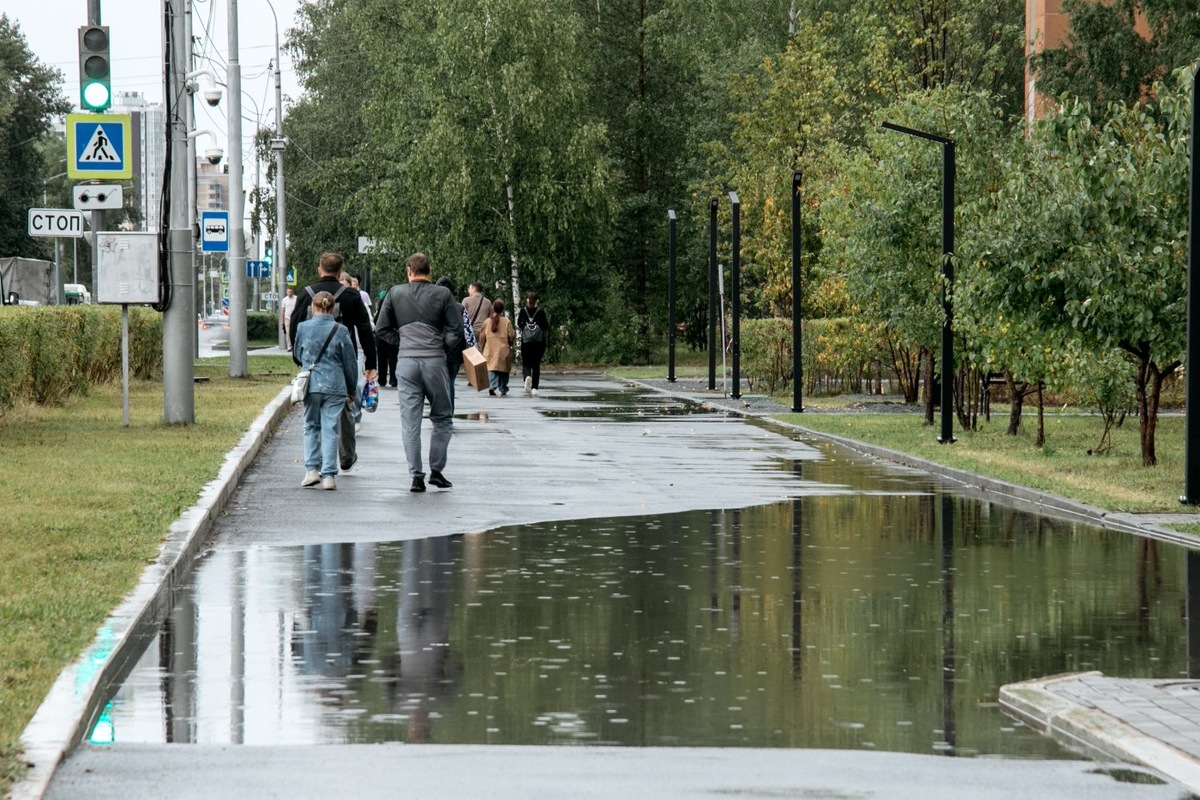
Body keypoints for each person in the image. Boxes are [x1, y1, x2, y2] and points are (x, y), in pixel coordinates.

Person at [376, 253, 463, 493]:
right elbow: (456, 331)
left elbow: (381, 329)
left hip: (406, 363)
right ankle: (436, 471)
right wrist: (441, 345)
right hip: (435, 362)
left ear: (409, 270)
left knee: (410, 422)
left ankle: (416, 476)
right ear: (429, 270)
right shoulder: (443, 294)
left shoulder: (395, 293)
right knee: (442, 417)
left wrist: (403, 341)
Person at [290, 252, 378, 471]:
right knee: (344, 407)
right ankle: (346, 455)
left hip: (312, 363)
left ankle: (314, 465)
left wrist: (298, 357)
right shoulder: (351, 296)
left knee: (312, 420)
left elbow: (294, 326)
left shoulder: (307, 294)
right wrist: (370, 362)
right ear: (340, 273)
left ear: (320, 269)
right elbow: (365, 328)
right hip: (340, 361)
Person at [293, 291, 359, 491]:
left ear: (313, 307)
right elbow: (350, 362)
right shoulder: (341, 330)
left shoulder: (303, 327)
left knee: (311, 426)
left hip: (311, 385)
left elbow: (297, 353)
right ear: (333, 309)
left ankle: (312, 470)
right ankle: (329, 476)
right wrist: (351, 389)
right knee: (331, 428)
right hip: (335, 386)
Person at [435, 276, 478, 412]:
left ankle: (440, 409)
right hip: (456, 349)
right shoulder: (459, 307)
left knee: (439, 382)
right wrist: (474, 349)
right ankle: (450, 410)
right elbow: (467, 330)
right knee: (451, 381)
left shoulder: (434, 307)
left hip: (437, 348)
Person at [478, 298, 514, 397]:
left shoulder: (486, 322)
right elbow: (511, 335)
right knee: (504, 370)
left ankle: (492, 386)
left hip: (490, 349)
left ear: (493, 308)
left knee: (492, 369)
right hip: (503, 349)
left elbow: (482, 337)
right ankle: (503, 388)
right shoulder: (507, 321)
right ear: (503, 309)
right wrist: (510, 342)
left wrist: (482, 347)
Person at [517, 291, 549, 396]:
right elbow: (545, 326)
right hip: (539, 342)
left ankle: (527, 377)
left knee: (526, 363)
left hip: (526, 342)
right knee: (536, 364)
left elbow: (519, 324)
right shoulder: (541, 312)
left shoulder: (523, 311)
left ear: (527, 300)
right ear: (537, 301)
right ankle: (535, 387)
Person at [375, 290, 398, 389]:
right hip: (393, 332)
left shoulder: (383, 302)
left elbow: (377, 319)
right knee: (393, 358)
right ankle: (393, 379)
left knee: (382, 358)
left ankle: (382, 379)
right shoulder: (397, 304)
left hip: (381, 335)